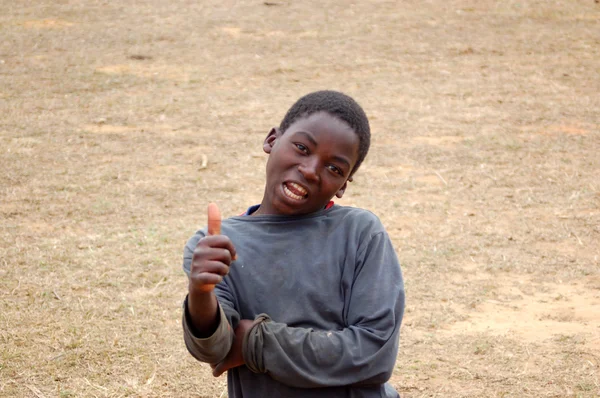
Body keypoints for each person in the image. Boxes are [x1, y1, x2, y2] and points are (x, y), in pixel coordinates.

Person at [182, 90, 405, 397]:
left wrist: (254, 342)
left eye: (334, 169)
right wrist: (200, 292)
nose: (311, 170)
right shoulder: (217, 246)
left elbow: (374, 355)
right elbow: (215, 348)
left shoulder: (360, 234)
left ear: (343, 185)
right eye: (302, 148)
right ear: (272, 140)